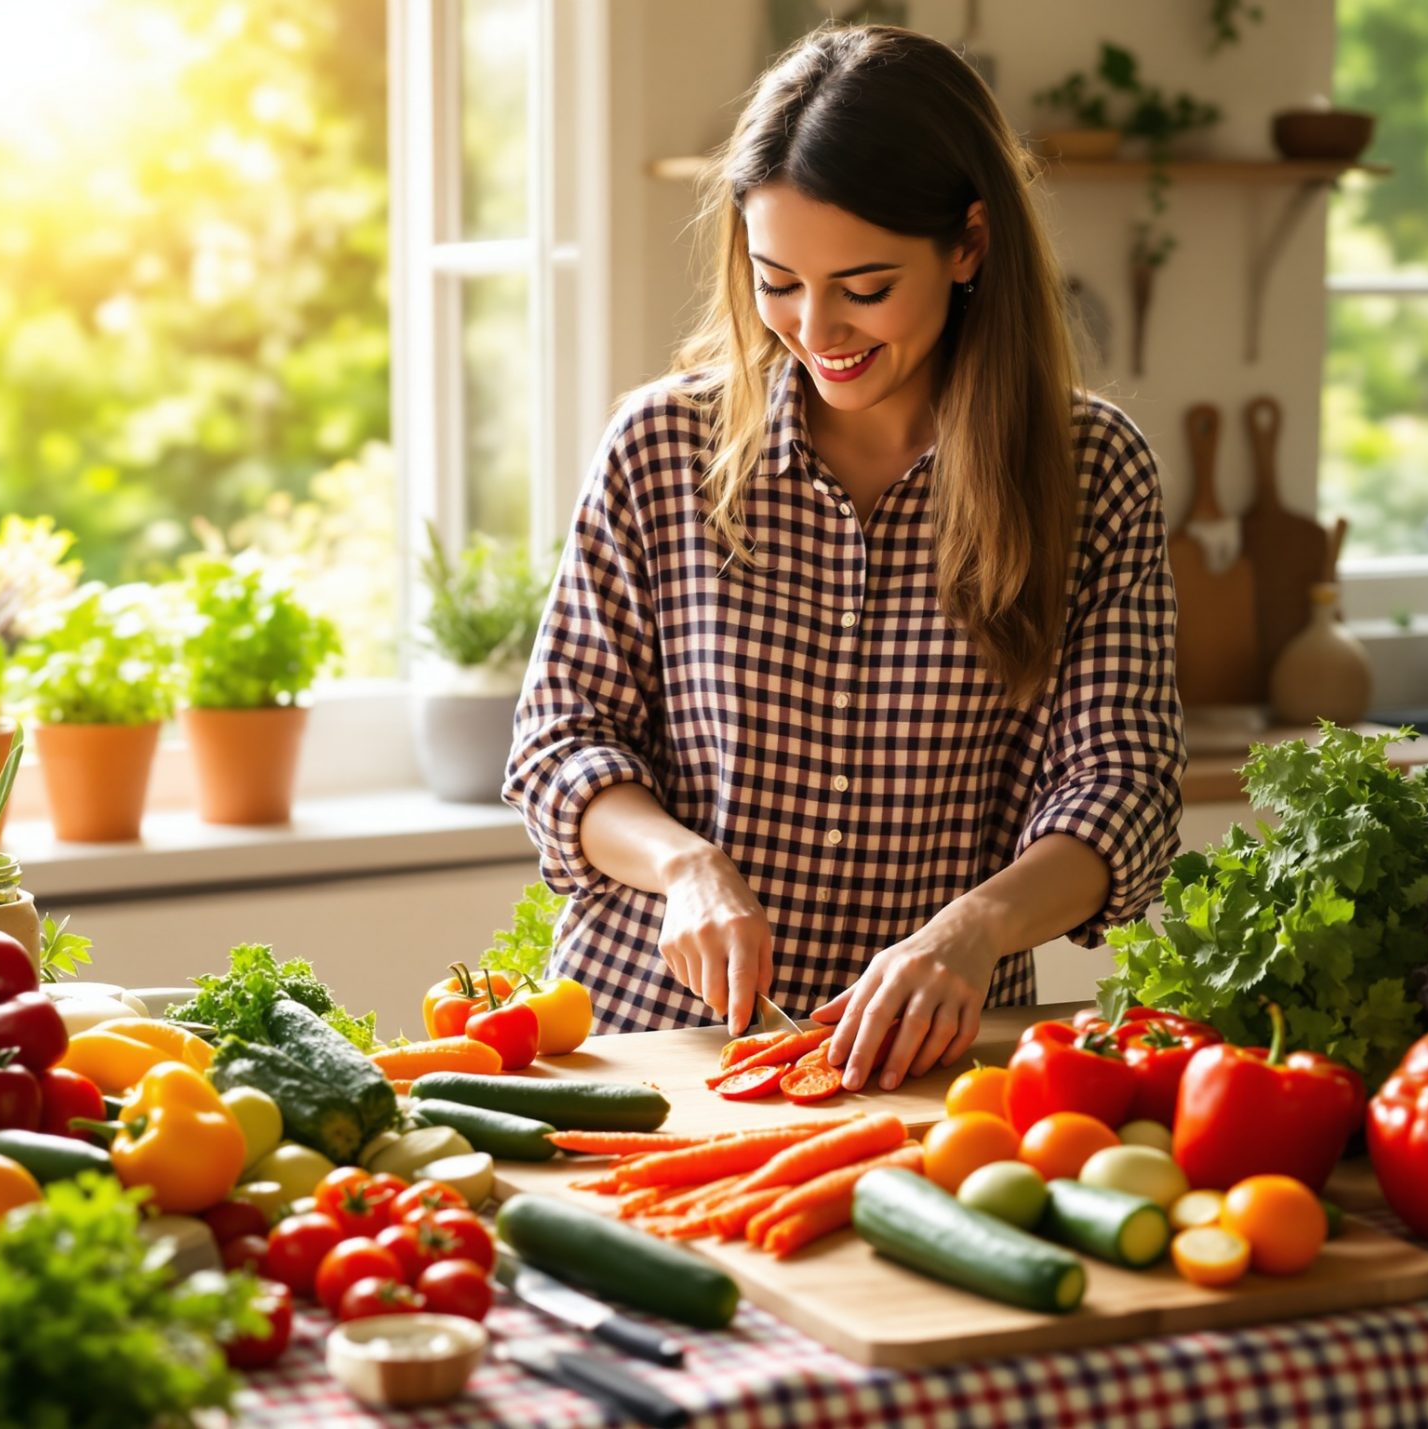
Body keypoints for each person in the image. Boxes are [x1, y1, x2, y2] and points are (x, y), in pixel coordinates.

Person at [506, 24, 1183, 1091]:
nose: (815, 328)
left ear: (969, 244)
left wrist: (971, 929)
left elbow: (1122, 787)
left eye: (864, 288)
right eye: (777, 281)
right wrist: (685, 866)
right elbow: (560, 741)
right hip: (650, 1051)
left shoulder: (1091, 471)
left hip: (922, 1064)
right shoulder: (660, 446)